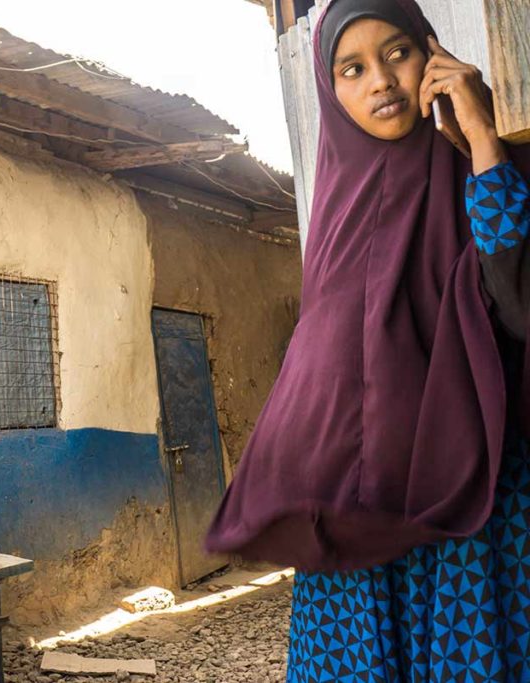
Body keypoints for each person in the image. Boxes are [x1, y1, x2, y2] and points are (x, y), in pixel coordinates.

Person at [204, 0, 530, 679]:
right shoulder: (336, 212)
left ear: (431, 55)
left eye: (398, 54)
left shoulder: (493, 167)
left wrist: (485, 145)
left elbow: (520, 307)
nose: (380, 80)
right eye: (352, 68)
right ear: (331, 88)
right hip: (362, 510)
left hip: (475, 501)